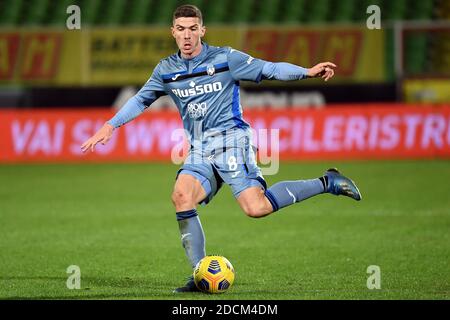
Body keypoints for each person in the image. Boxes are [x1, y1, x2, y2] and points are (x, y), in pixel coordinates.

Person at [81, 4, 362, 293]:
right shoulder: (166, 69)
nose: (187, 36)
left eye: (193, 29)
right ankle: (199, 273)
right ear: (173, 32)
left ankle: (327, 182)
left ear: (202, 30)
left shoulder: (226, 58)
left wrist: (307, 72)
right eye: (181, 29)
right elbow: (141, 99)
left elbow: (269, 68)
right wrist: (111, 125)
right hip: (199, 148)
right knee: (181, 196)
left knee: (256, 208)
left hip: (232, 142)